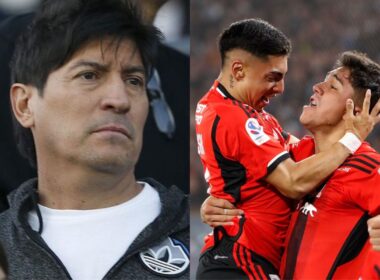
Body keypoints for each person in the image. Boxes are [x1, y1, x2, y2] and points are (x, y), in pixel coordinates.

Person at [0, 0, 189, 279]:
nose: (119, 99)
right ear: (24, 104)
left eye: (134, 81)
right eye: (89, 75)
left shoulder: (209, 234)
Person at [194, 19, 380, 279]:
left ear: (356, 109)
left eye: (332, 85)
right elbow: (288, 178)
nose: (316, 86)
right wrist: (220, 193)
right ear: (238, 71)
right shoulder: (293, 151)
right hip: (238, 263)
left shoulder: (363, 165)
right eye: (272, 77)